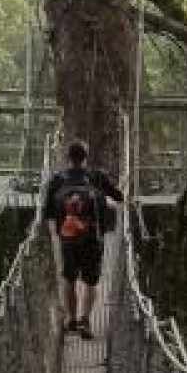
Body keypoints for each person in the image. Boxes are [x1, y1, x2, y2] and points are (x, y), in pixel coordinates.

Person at [41, 139, 124, 338]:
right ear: (85, 157)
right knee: (90, 281)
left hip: (67, 240)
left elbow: (47, 213)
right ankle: (85, 320)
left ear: (68, 158)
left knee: (69, 279)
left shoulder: (57, 179)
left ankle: (71, 319)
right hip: (93, 239)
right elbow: (120, 197)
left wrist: (55, 235)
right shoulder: (97, 176)